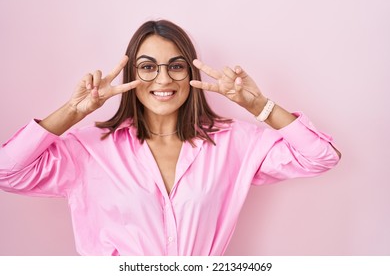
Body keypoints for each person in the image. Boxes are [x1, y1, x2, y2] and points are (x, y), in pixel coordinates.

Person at [0, 19, 341, 256]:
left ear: (190, 73)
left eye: (176, 66)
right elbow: (6, 171)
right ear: (133, 73)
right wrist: (73, 112)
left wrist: (260, 106)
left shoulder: (233, 142)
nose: (163, 79)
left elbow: (321, 156)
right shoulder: (88, 150)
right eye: (148, 67)